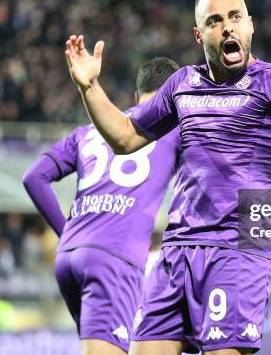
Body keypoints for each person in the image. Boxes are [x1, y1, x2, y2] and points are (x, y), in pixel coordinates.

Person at [65, 0, 271, 354]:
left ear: (251, 25)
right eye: (215, 21)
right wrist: (90, 86)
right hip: (177, 250)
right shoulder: (182, 84)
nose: (227, 28)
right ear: (199, 34)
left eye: (235, 17)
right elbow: (125, 139)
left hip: (237, 251)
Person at [22, 57, 181, 355]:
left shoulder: (90, 131)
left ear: (136, 97)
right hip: (114, 259)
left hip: (68, 258)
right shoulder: (173, 130)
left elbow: (34, 177)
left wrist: (67, 233)